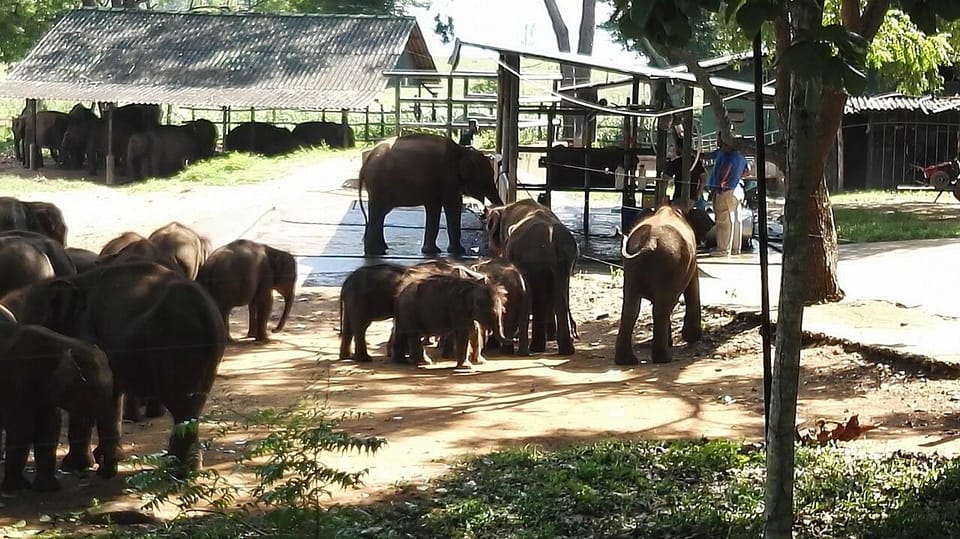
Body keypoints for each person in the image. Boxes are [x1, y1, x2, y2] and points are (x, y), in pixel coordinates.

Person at [706, 139, 750, 257]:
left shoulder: (728, 156)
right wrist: (736, 176)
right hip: (738, 189)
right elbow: (747, 171)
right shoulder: (740, 155)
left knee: (723, 220)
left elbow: (727, 168)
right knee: (736, 220)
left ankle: (723, 250)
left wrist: (723, 181)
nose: (718, 143)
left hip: (726, 190)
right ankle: (736, 249)